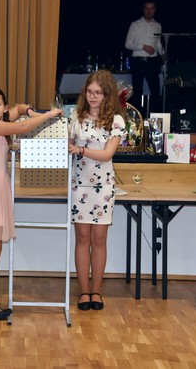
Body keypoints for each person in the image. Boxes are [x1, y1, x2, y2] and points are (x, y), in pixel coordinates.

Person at [0, 88, 62, 321]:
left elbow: (20, 110)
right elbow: (23, 127)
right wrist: (49, 114)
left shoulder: (0, 121)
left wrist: (29, 110)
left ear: (4, 107)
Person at [67, 70, 126, 311]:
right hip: (79, 184)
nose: (92, 97)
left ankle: (96, 291)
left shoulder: (116, 121)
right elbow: (66, 145)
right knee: (82, 238)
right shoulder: (76, 117)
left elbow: (107, 154)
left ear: (107, 95)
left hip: (103, 187)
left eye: (98, 93)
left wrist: (80, 150)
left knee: (99, 239)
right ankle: (83, 292)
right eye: (89, 92)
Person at [124, 0, 164, 117]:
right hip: (138, 61)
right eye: (147, 8)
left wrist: (163, 53)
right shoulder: (135, 24)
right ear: (143, 10)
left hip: (152, 62)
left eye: (152, 8)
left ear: (155, 10)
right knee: (138, 91)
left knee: (156, 90)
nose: (149, 11)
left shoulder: (157, 25)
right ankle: (138, 117)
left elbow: (157, 44)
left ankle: (155, 118)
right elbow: (128, 44)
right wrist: (143, 47)